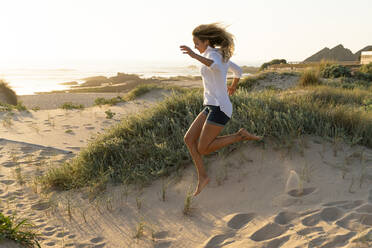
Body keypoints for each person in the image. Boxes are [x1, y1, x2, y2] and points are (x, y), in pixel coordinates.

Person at [180, 23, 261, 196]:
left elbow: (214, 66)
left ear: (206, 41)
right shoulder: (219, 54)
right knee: (188, 139)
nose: (195, 46)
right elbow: (238, 71)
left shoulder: (214, 55)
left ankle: (240, 136)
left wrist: (194, 56)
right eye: (194, 44)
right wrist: (233, 86)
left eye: (197, 43)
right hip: (210, 105)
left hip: (221, 108)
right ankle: (203, 177)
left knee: (203, 149)